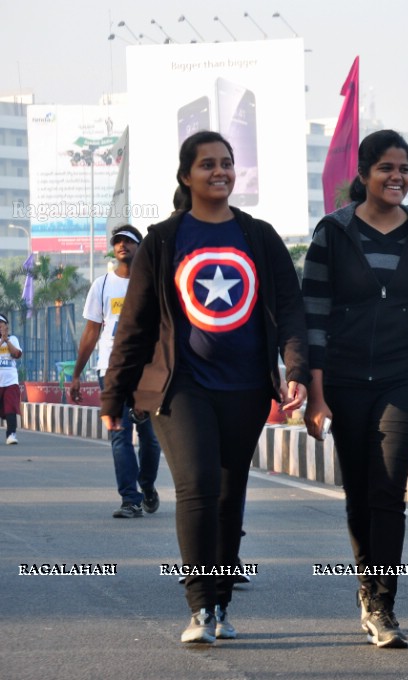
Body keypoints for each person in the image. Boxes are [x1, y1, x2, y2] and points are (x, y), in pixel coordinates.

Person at [101, 130, 309, 645]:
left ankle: (220, 603)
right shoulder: (164, 240)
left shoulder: (258, 237)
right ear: (186, 175)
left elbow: (291, 311)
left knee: (227, 493)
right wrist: (113, 394)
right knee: (197, 487)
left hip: (244, 389)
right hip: (181, 388)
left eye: (227, 163)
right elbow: (136, 325)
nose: (220, 172)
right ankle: (198, 607)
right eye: (208, 164)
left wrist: (296, 369)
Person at [302, 129, 408, 649]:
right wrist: (317, 394)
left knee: (389, 486)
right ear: (364, 173)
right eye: (387, 168)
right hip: (344, 379)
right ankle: (367, 583)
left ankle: (382, 603)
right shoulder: (333, 233)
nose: (398, 177)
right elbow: (315, 318)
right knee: (361, 490)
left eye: (405, 168)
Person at [70, 224, 162, 519]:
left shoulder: (153, 283)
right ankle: (130, 499)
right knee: (119, 435)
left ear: (140, 247)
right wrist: (76, 374)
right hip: (109, 369)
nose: (122, 245)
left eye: (129, 241)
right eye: (118, 242)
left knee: (150, 436)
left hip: (146, 371)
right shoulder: (103, 285)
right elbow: (91, 332)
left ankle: (146, 485)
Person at [0, 313, 23, 445]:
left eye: (1, 325)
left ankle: (11, 434)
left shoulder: (13, 339)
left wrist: (6, 340)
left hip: (10, 381)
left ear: (6, 326)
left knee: (10, 408)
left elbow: (16, 354)